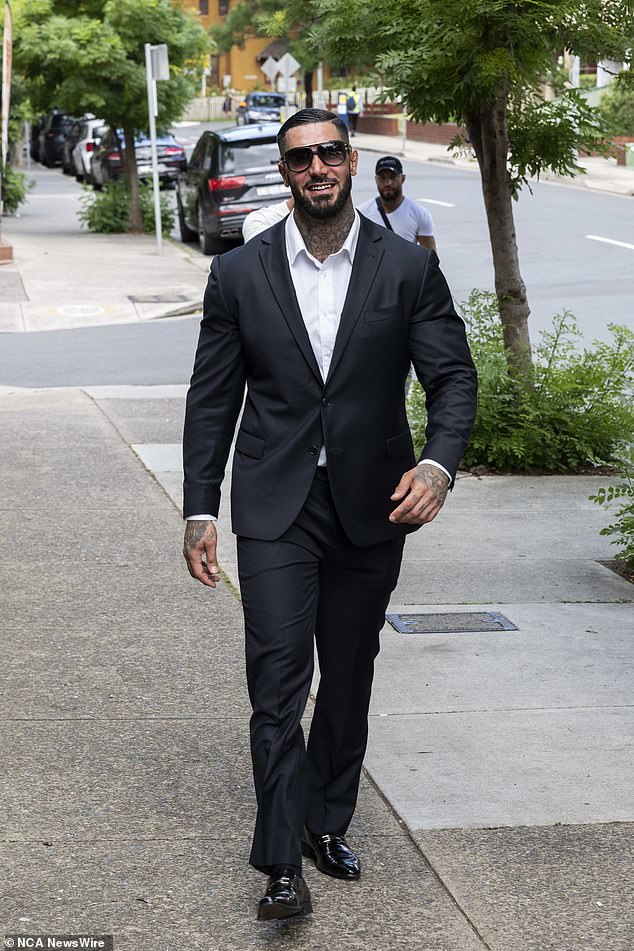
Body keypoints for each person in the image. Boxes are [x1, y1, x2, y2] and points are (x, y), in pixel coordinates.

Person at [182, 109, 477, 922]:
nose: (317, 167)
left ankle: (325, 820)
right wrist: (200, 507)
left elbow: (454, 378)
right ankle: (281, 863)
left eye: (330, 153)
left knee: (348, 676)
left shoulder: (405, 270)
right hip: (276, 505)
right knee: (278, 682)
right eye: (300, 157)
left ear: (350, 162)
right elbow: (212, 401)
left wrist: (437, 465)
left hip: (372, 503)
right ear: (285, 172)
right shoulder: (240, 275)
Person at [357, 155, 436, 250]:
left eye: (393, 177)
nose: (388, 183)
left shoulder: (420, 214)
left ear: (402, 178)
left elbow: (430, 257)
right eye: (382, 178)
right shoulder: (362, 213)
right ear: (376, 180)